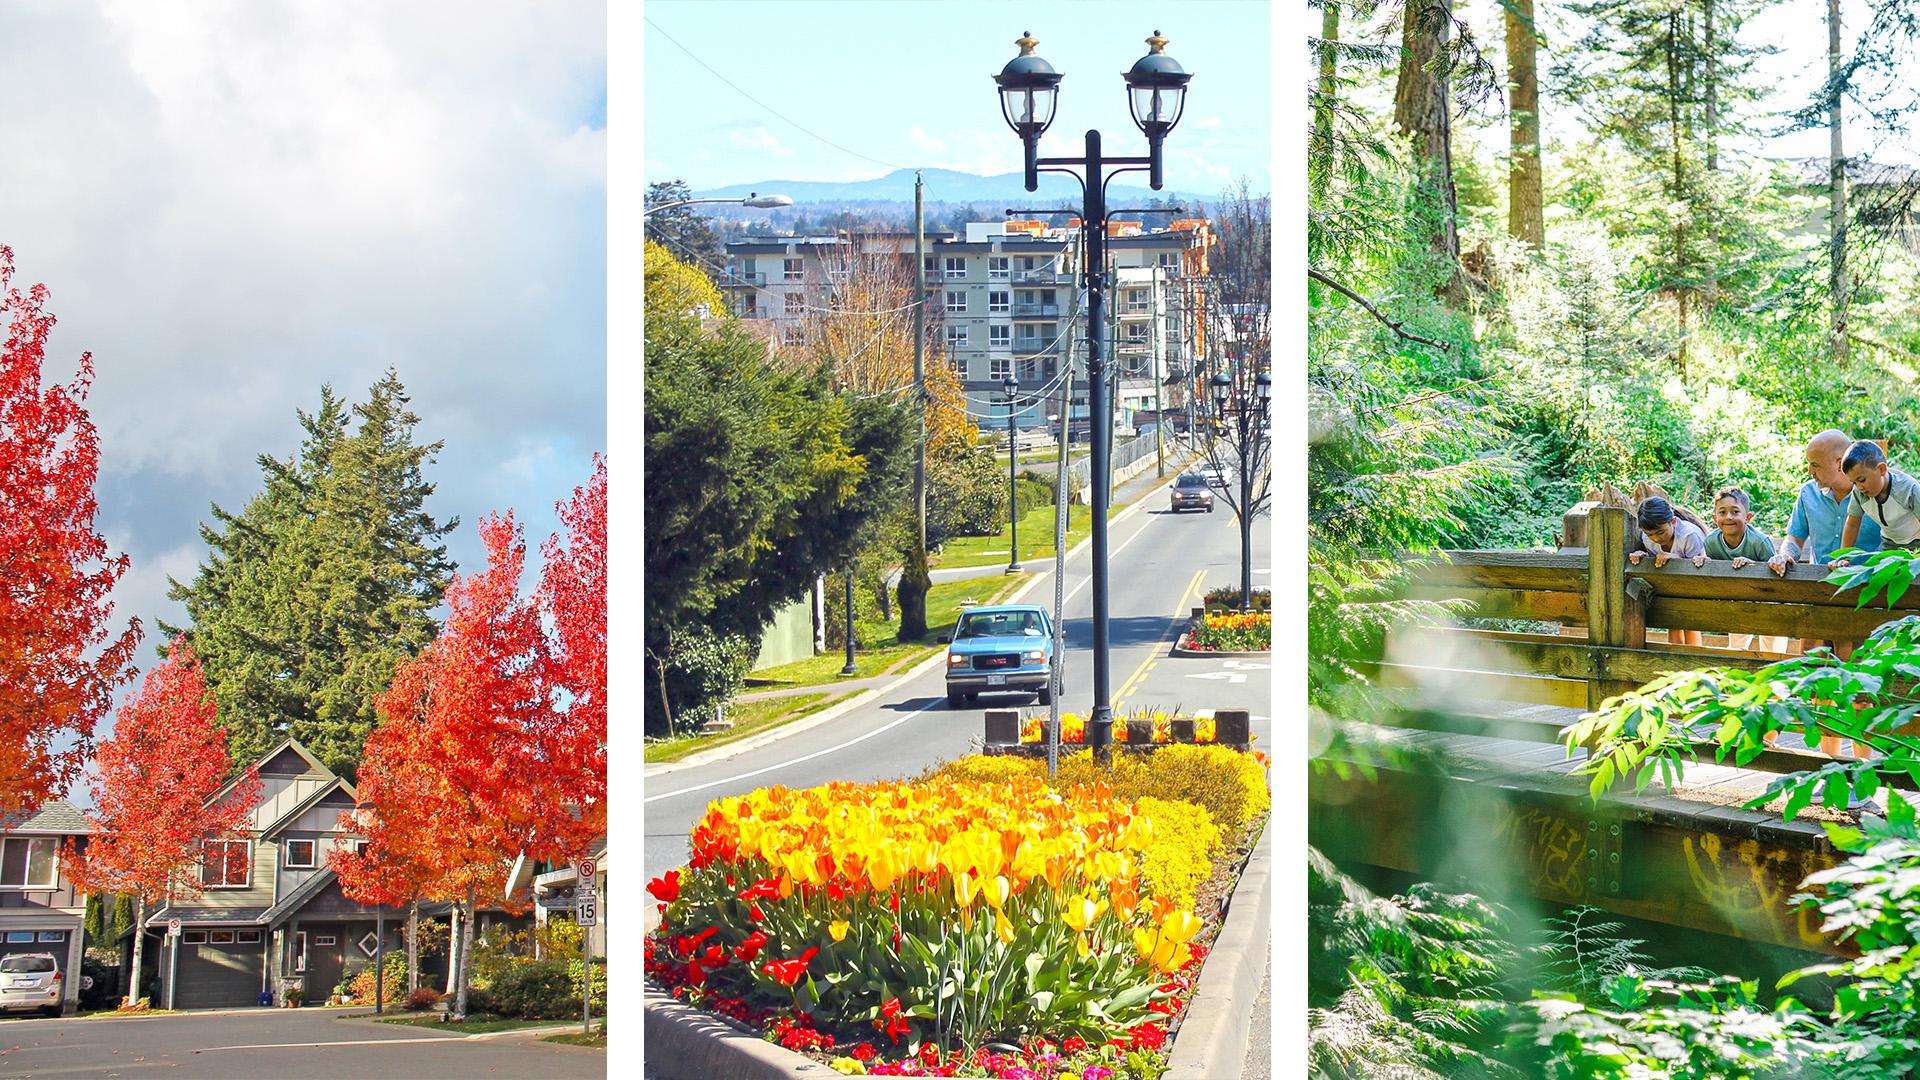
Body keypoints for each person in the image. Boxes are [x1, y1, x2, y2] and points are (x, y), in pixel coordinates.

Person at [1630, 496, 1706, 647]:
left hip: (1694, 589)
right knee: (1672, 621)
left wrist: (1677, 558)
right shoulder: (1647, 539)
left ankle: (1694, 658)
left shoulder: (1689, 536)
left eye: (1660, 532)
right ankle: (1675, 659)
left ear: (1673, 521)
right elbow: (1657, 563)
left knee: (1689, 622)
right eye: (1650, 534)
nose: (1656, 538)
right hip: (1670, 588)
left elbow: (1700, 566)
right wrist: (1644, 558)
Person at [1837, 439, 1920, 555]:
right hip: (1889, 543)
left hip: (1917, 543)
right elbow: (1852, 524)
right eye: (1854, 483)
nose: (1859, 487)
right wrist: (1843, 556)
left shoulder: (1908, 489)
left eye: (1861, 480)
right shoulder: (1859, 493)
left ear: (1881, 469)